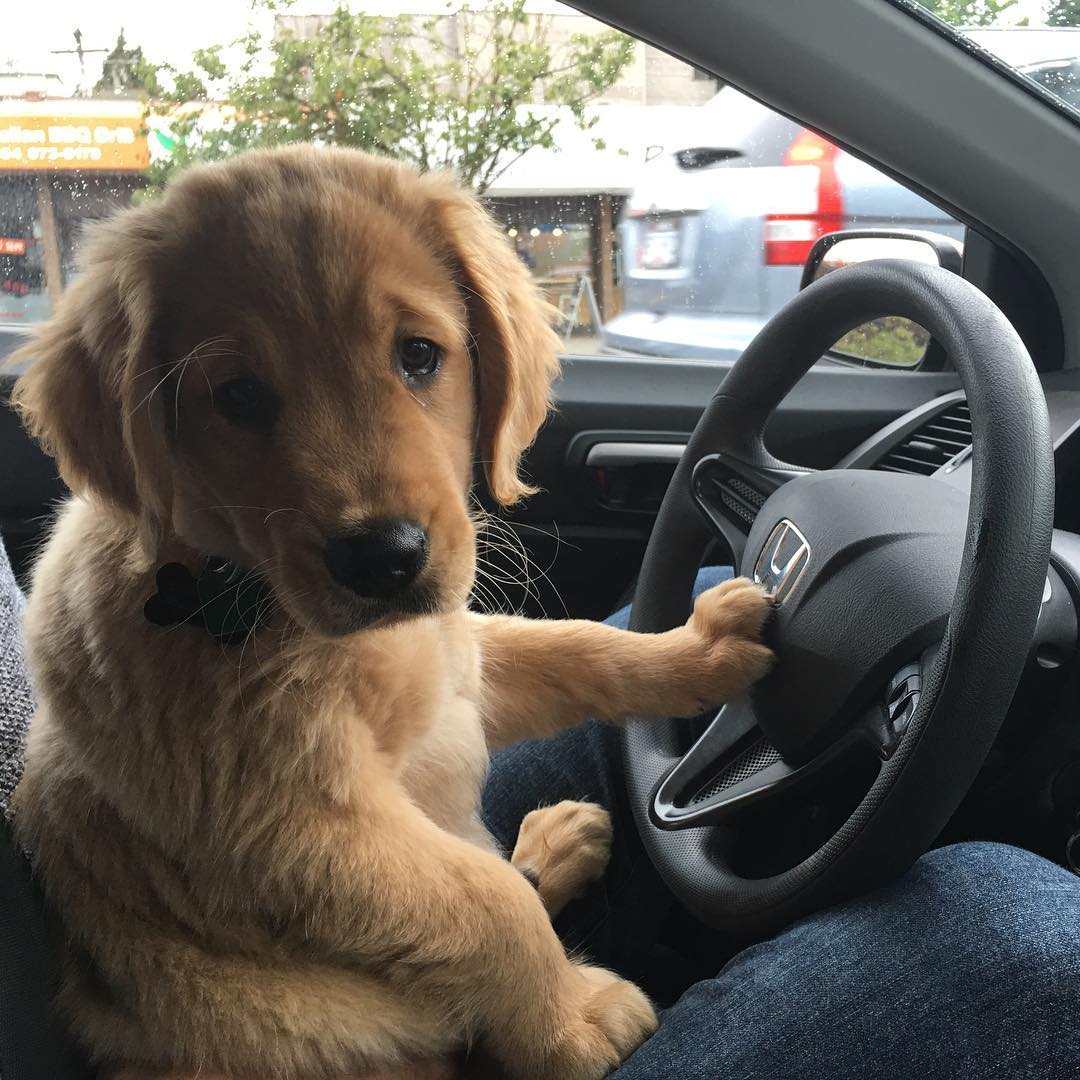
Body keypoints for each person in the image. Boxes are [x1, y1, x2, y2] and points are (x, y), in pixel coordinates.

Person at [3, 545, 1079, 1079]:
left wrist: (668, 670)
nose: (367, 480)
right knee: (1020, 935)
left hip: (297, 915)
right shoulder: (162, 625)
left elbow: (450, 666)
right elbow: (314, 840)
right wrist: (541, 992)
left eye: (415, 359)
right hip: (288, 1040)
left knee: (701, 588)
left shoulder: (258, 548)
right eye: (244, 396)